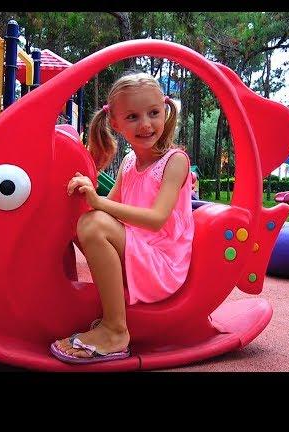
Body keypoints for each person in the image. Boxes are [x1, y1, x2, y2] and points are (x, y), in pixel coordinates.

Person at [50, 72, 195, 364]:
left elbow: (155, 219)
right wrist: (85, 191)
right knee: (83, 221)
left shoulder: (175, 161)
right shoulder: (129, 161)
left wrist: (97, 202)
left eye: (153, 113)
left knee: (93, 224)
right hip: (139, 251)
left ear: (165, 112)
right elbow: (107, 206)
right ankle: (67, 297)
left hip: (162, 263)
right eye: (132, 117)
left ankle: (116, 330)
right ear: (115, 124)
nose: (145, 124)